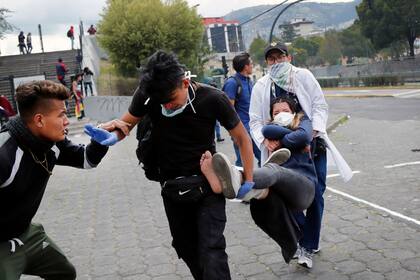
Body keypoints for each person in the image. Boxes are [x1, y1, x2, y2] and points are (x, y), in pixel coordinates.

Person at [98, 50, 255, 279]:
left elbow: (242, 138)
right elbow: (126, 124)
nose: (168, 106)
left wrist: (248, 179)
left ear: (185, 82)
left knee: (212, 250)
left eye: (172, 99)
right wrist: (112, 134)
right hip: (171, 186)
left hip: (208, 183)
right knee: (186, 248)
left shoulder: (212, 98)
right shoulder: (149, 94)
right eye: (163, 102)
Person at [249, 41, 353, 269]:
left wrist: (312, 133)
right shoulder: (261, 86)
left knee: (316, 194)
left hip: (312, 146)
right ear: (266, 62)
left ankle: (308, 243)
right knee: (286, 196)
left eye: (280, 57)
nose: (276, 62)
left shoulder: (303, 76)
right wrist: (265, 140)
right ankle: (306, 239)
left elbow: (319, 105)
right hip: (281, 152)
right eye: (271, 58)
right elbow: (255, 121)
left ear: (289, 58)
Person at [0, 80, 109, 279]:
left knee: (65, 273)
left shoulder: (52, 143)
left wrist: (100, 141)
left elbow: (85, 160)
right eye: (61, 115)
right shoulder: (4, 155)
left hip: (26, 233)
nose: (67, 120)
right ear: (39, 120)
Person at [222, 52, 261, 166]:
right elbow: (228, 111)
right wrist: (233, 133)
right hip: (241, 131)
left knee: (264, 158)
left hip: (254, 129)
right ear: (245, 66)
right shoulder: (232, 83)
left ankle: (264, 183)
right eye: (251, 64)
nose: (252, 66)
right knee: (242, 163)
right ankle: (241, 183)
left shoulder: (249, 81)